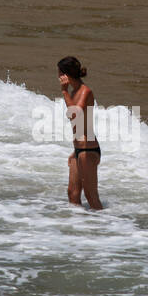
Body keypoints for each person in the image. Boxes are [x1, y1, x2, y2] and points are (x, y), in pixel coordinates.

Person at [57, 56, 103, 210]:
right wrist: (74, 151)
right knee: (73, 194)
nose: (58, 77)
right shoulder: (75, 91)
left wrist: (64, 92)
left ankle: (105, 228)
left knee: (91, 196)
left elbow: (75, 115)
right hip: (79, 149)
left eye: (59, 73)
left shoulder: (85, 91)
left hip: (88, 150)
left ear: (65, 74)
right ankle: (79, 229)